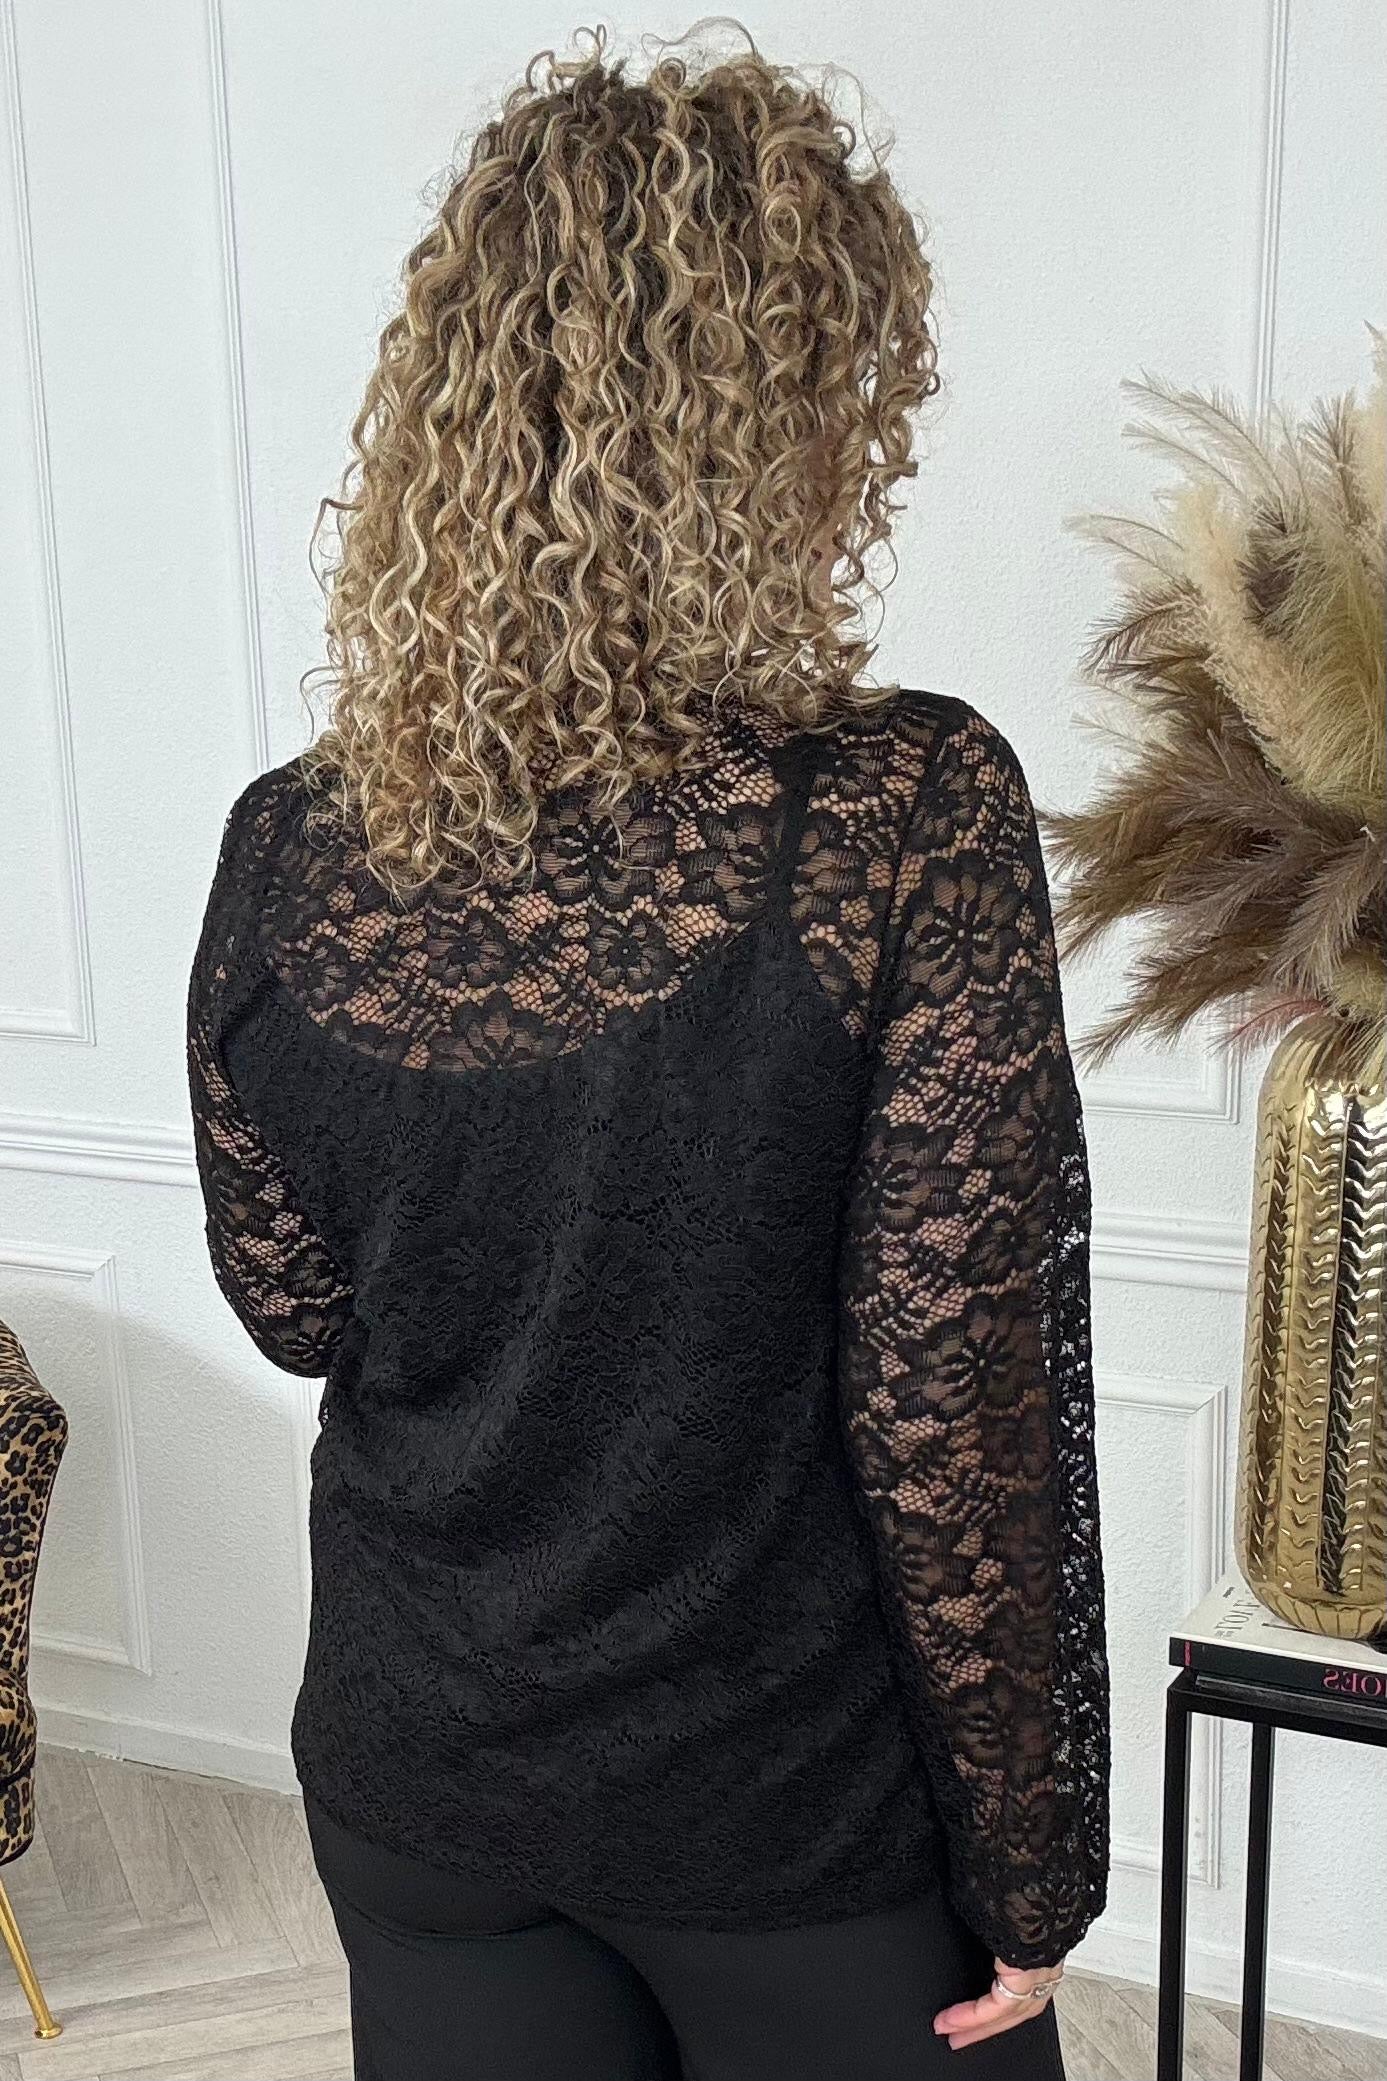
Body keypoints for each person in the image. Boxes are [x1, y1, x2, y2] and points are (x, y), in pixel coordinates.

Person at [186, 24, 1110, 2080]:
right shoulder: (906, 808)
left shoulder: (287, 843)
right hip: (782, 1814)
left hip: (421, 1776)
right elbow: (955, 1406)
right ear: (797, 420)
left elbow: (292, 1304)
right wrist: (1035, 1867)